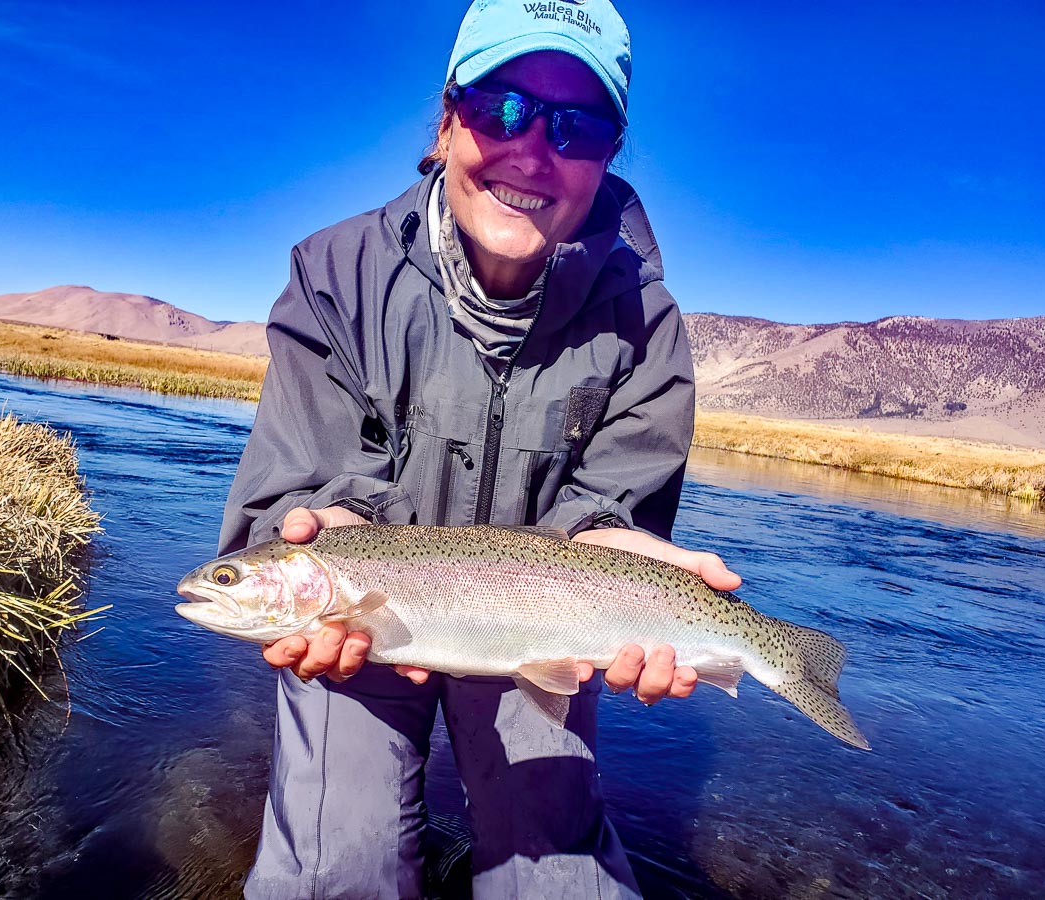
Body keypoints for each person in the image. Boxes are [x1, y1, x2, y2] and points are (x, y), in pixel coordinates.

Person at [219, 2, 741, 897]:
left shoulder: (647, 329)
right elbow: (296, 485)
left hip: (547, 621)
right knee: (334, 871)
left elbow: (616, 510)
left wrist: (621, 556)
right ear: (449, 116)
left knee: (558, 876)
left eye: (575, 126)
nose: (532, 151)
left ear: (608, 152)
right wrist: (323, 528)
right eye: (503, 108)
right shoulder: (332, 275)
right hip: (357, 628)